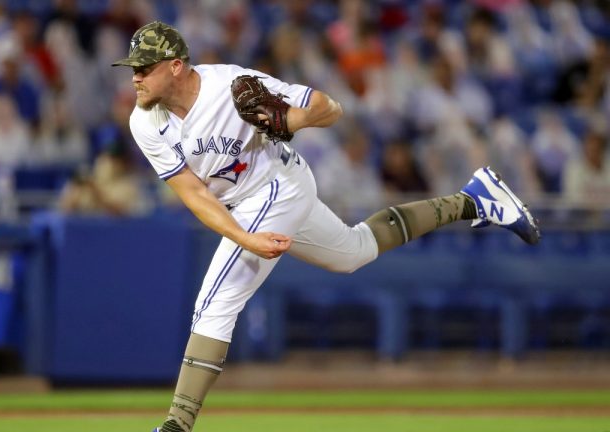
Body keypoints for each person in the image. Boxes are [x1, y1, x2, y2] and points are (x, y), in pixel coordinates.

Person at [112, 21, 540, 432]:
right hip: (241, 206)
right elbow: (194, 195)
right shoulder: (145, 121)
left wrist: (287, 121)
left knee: (216, 301)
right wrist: (244, 237)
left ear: (175, 65)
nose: (136, 78)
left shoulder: (231, 84)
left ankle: (176, 425)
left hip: (278, 186)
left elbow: (329, 108)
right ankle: (472, 199)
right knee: (353, 252)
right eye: (133, 69)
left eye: (144, 68)